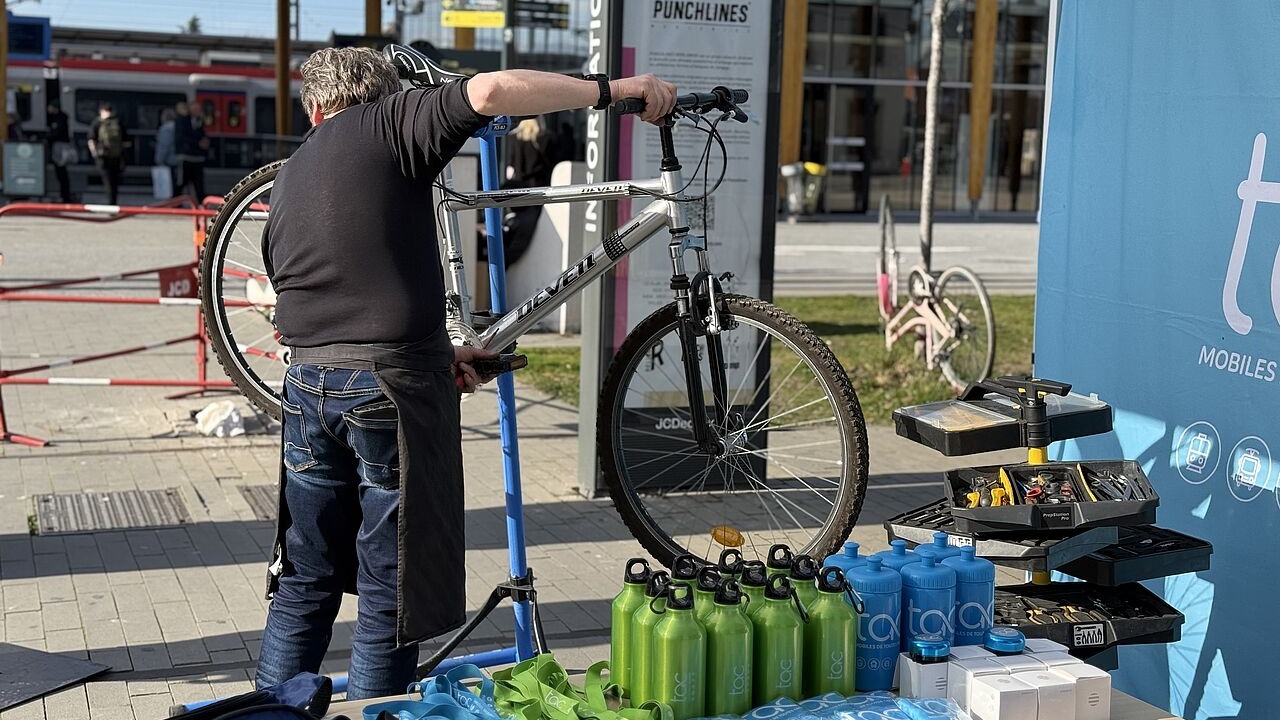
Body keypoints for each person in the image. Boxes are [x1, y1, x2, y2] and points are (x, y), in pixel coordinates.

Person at [254, 46, 673, 699]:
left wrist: (436, 352)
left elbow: (316, 289)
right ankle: (375, 715)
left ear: (315, 107)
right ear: (386, 94)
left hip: (309, 388)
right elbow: (491, 91)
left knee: (304, 580)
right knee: (391, 589)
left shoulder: (291, 170)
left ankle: (268, 715)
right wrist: (617, 89)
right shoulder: (390, 123)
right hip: (390, 390)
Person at [87, 103, 129, 205]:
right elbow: (126, 141)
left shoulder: (97, 122)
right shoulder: (118, 122)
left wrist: (95, 154)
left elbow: (91, 139)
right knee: (114, 183)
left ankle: (111, 203)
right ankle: (112, 203)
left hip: (103, 157)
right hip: (116, 157)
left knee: (108, 181)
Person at [173, 101, 207, 202]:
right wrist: (198, 143)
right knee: (181, 181)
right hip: (185, 156)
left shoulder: (199, 121)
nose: (197, 111)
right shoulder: (182, 120)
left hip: (198, 157)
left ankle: (201, 203)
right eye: (195, 109)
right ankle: (175, 202)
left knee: (198, 183)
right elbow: (181, 136)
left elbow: (202, 134)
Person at [45, 103, 74, 203]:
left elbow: (56, 132)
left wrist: (47, 137)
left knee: (61, 172)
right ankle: (65, 194)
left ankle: (65, 195)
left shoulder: (59, 119)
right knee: (62, 173)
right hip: (59, 146)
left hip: (59, 147)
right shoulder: (62, 118)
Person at [154, 108, 178, 199]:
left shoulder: (166, 129)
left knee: (169, 185)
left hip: (168, 161)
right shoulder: (177, 126)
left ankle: (172, 203)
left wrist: (159, 160)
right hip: (176, 160)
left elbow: (164, 146)